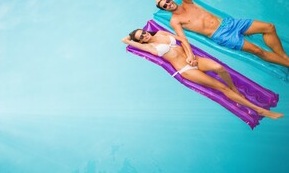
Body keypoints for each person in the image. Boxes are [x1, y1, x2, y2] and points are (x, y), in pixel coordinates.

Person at [121, 28, 284, 119]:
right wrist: (131, 37)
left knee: (220, 69)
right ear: (141, 41)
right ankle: (261, 111)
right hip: (186, 70)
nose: (145, 35)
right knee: (222, 88)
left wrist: (191, 56)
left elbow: (183, 40)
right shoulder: (149, 47)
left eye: (143, 32)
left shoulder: (161, 34)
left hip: (194, 59)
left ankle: (234, 88)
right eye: (141, 36)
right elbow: (124, 40)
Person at [155, 0, 289, 67]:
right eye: (165, 6)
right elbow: (182, 38)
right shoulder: (175, 21)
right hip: (221, 35)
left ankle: (283, 57)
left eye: (168, 1)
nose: (168, 4)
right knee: (257, 50)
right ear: (165, 10)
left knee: (269, 27)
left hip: (228, 23)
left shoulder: (187, 2)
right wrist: (190, 56)